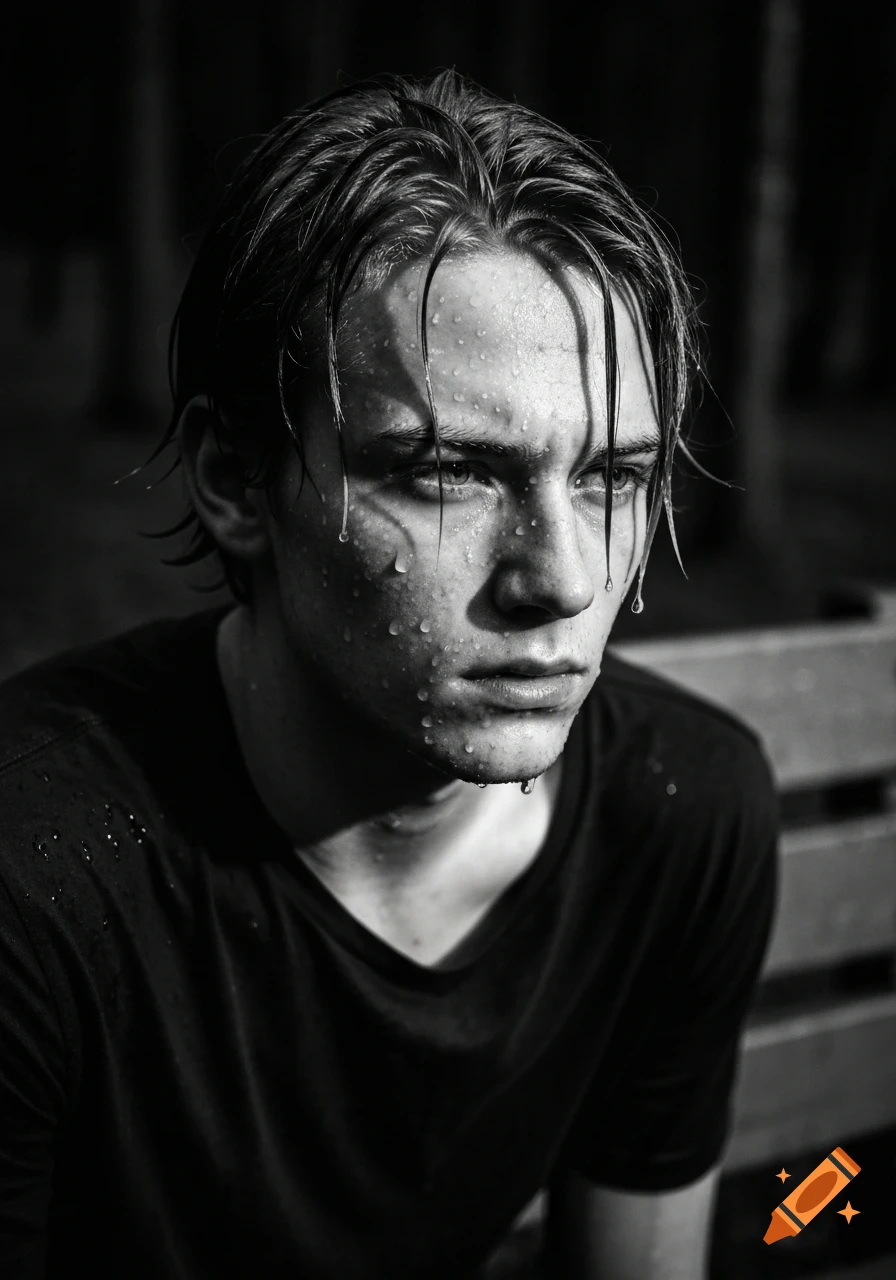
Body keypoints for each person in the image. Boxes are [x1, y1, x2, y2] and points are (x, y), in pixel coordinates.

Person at [0, 70, 778, 1279]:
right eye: (449, 472)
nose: (564, 578)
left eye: (611, 476)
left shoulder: (675, 810)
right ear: (234, 480)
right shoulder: (36, 879)